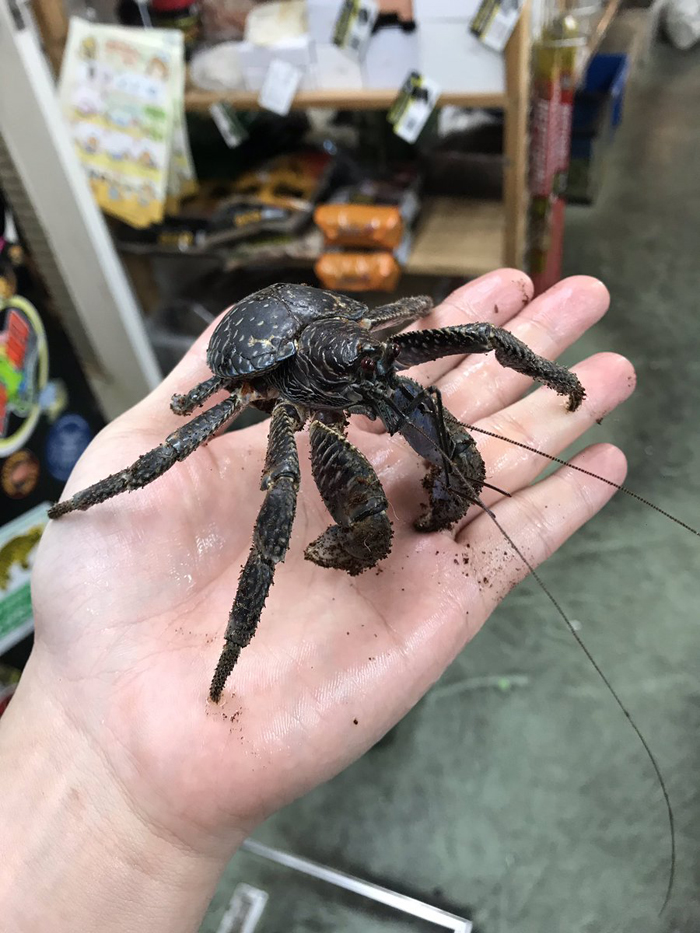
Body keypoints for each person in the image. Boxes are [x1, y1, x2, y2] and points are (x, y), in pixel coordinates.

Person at [0, 272, 633, 932]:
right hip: (279, 357)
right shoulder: (277, 395)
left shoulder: (372, 354)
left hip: (341, 336)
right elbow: (159, 457)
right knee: (278, 504)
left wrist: (534, 369)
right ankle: (230, 649)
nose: (381, 390)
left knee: (477, 337)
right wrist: (76, 503)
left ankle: (534, 397)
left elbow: (475, 338)